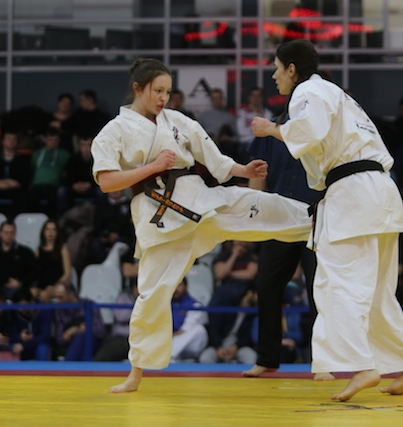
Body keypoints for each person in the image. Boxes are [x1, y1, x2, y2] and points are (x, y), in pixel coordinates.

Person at [91, 57, 311, 393]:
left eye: (167, 91)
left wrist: (243, 171)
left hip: (198, 200)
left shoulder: (177, 121)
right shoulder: (114, 131)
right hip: (159, 218)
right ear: (138, 88)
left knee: (253, 203)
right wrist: (152, 168)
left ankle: (316, 219)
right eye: (157, 91)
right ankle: (135, 374)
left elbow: (214, 158)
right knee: (152, 295)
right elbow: (107, 181)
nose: (163, 98)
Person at [251, 39, 403, 401]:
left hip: (353, 194)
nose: (274, 76)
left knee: (338, 284)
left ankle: (362, 367)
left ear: (292, 69)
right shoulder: (337, 95)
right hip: (379, 191)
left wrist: (271, 129)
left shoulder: (307, 91)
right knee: (377, 290)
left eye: (277, 68)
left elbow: (307, 132)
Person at [243, 126, 323, 379]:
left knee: (319, 291)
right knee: (266, 286)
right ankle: (266, 358)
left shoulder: (320, 125)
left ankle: (323, 362)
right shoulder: (270, 128)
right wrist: (253, 212)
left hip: (316, 217)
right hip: (278, 217)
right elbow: (258, 171)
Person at [199, 286, 258, 364]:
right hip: (219, 346)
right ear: (250, 293)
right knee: (205, 358)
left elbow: (247, 336)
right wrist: (218, 347)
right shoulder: (228, 306)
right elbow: (214, 328)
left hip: (238, 348)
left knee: (251, 357)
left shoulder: (252, 313)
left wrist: (236, 346)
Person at [53, 282, 105, 361]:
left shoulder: (88, 305)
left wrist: (79, 330)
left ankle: (67, 367)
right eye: (56, 298)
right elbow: (59, 339)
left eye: (61, 297)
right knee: (83, 352)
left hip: (91, 342)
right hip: (71, 344)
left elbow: (101, 332)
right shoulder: (59, 311)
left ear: (71, 295)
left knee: (81, 338)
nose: (58, 301)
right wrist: (65, 337)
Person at [0, 131, 31, 219]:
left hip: (15, 191)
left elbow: (22, 181)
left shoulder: (22, 162)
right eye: (9, 138)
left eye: (14, 139)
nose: (11, 141)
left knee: (24, 195)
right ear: (3, 141)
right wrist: (8, 182)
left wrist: (4, 182)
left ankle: (17, 221)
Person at [28, 127, 71, 216]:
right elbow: (31, 170)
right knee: (29, 198)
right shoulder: (36, 154)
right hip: (36, 185)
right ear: (45, 139)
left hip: (53, 186)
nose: (52, 142)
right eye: (50, 139)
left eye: (55, 140)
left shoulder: (65, 155)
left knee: (54, 199)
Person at [93, 281, 138, 362]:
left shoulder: (150, 299)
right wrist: (137, 308)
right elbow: (120, 317)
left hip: (140, 338)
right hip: (122, 337)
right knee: (102, 357)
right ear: (134, 288)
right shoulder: (123, 298)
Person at [59, 135, 102, 213]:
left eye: (88, 145)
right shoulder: (73, 159)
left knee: (100, 192)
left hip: (91, 188)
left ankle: (100, 215)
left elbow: (100, 176)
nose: (86, 148)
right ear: (79, 146)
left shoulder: (97, 160)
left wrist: (89, 184)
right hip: (75, 188)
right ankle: (63, 216)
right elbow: (68, 176)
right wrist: (74, 184)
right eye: (83, 145)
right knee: (62, 191)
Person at [9, 286, 52, 361]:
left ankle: (43, 368)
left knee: (42, 348)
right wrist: (20, 337)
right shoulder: (15, 313)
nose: (20, 310)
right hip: (21, 346)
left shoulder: (44, 311)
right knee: (11, 347)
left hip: (37, 345)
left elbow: (45, 336)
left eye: (23, 306)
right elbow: (10, 335)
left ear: (31, 301)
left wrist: (25, 345)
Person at [170, 278, 208, 362]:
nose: (176, 288)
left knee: (200, 329)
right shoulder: (166, 304)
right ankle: (172, 357)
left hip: (190, 346)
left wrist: (167, 339)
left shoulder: (195, 305)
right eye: (174, 285)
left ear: (186, 287)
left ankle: (169, 355)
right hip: (170, 344)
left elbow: (185, 330)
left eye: (179, 285)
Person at [34, 220, 71, 302]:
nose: (50, 232)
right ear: (43, 232)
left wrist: (56, 286)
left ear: (57, 233)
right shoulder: (37, 252)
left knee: (44, 294)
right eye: (47, 229)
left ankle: (49, 311)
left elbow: (67, 273)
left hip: (57, 285)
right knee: (30, 293)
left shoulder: (63, 249)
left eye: (53, 229)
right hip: (42, 285)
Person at [235, 87, 273, 163]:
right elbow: (241, 132)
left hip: (262, 144)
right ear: (249, 97)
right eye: (253, 95)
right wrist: (257, 130)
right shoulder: (242, 113)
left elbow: (268, 131)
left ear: (262, 98)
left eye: (259, 96)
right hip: (245, 143)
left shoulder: (268, 114)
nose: (256, 98)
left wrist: (251, 130)